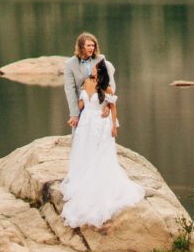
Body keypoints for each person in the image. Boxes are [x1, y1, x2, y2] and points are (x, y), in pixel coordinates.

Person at [60, 53, 144, 231]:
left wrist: (114, 126)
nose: (92, 69)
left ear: (101, 70)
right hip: (86, 123)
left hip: (100, 124)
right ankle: (84, 177)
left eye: (95, 67)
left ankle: (99, 184)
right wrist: (74, 117)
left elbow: (113, 108)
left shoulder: (107, 88)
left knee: (101, 153)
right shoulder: (86, 82)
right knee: (85, 150)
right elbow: (81, 104)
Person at [62, 32, 103, 129]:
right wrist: (74, 114)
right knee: (80, 134)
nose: (92, 48)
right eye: (88, 45)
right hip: (81, 105)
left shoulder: (101, 59)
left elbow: (109, 84)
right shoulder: (70, 64)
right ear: (81, 47)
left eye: (93, 45)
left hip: (99, 103)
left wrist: (107, 105)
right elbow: (69, 90)